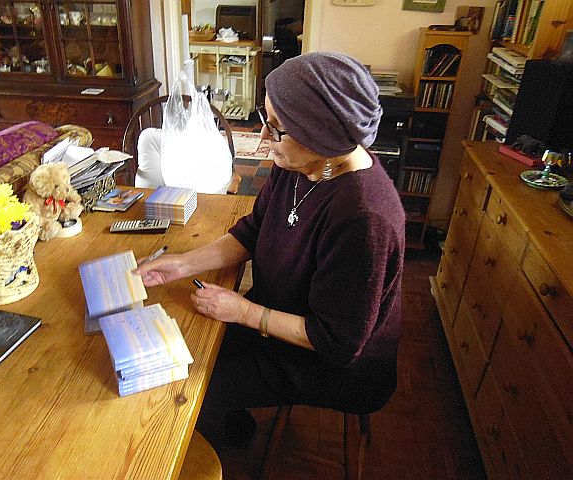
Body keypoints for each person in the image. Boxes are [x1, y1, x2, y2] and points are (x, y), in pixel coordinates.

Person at [134, 51, 406, 449]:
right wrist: (181, 263)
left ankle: (225, 435)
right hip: (278, 320)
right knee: (186, 345)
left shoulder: (365, 219)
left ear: (322, 135)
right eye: (267, 120)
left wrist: (244, 311)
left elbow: (338, 342)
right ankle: (229, 421)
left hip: (329, 363)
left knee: (189, 384)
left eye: (277, 129)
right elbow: (253, 229)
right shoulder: (300, 164)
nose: (263, 139)